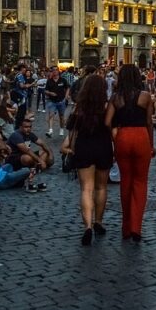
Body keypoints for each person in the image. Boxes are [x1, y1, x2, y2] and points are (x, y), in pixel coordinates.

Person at [105, 64, 156, 242]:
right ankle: (136, 227)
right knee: (140, 182)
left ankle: (126, 227)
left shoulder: (116, 98)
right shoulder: (145, 96)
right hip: (141, 136)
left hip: (123, 137)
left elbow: (107, 122)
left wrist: (114, 138)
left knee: (125, 181)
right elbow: (149, 122)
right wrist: (151, 145)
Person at [63, 74, 115, 245]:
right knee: (101, 187)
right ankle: (98, 221)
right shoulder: (108, 107)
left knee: (86, 189)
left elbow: (72, 132)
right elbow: (112, 128)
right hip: (103, 147)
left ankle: (87, 226)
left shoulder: (79, 108)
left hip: (84, 148)